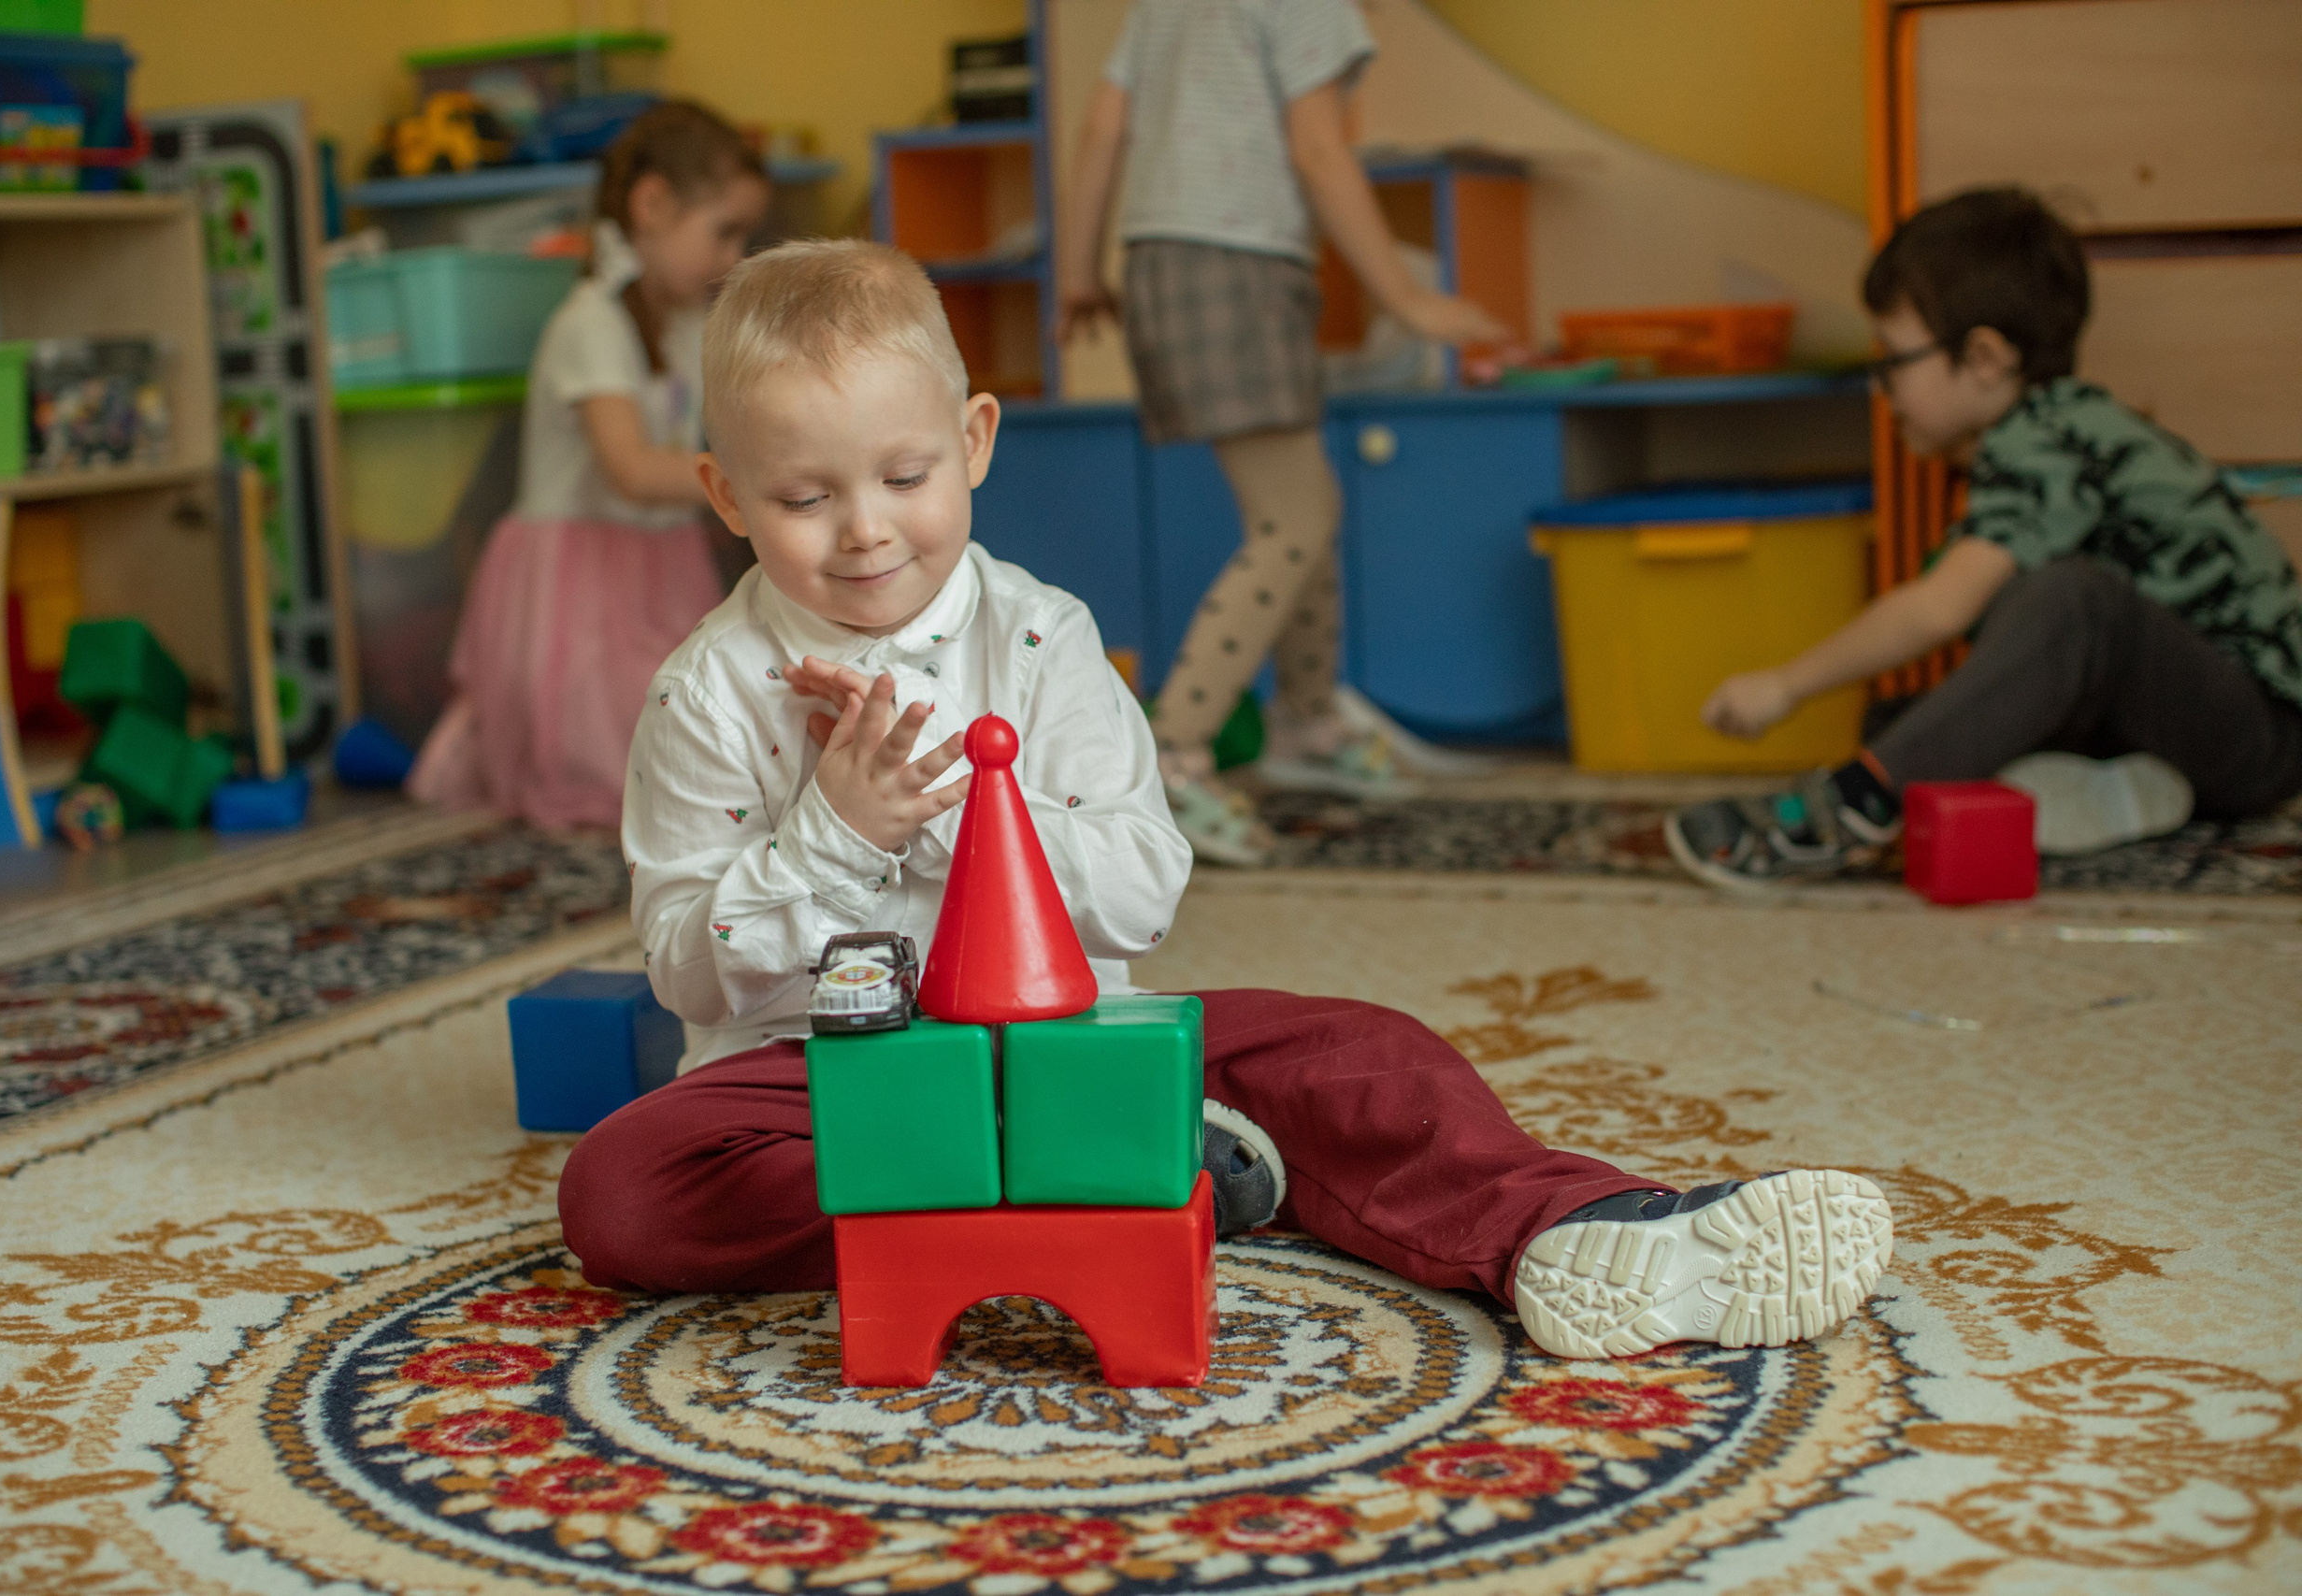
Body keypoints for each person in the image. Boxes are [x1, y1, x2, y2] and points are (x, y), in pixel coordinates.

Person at [555, 238, 1893, 1362]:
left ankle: (1586, 1233)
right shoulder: (709, 688)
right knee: (622, 1188)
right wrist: (836, 836)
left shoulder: (1040, 638)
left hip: (1082, 1038)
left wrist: (957, 806)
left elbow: (1142, 886)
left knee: (1365, 1056)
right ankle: (1125, 1162)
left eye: (905, 477)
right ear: (726, 492)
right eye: (803, 495)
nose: (864, 528)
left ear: (972, 442)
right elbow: (686, 970)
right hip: (821, 1082)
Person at [1668, 188, 2302, 884]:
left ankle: (1853, 805)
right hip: (2178, 725)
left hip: (2263, 734)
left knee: (2073, 602)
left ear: (1985, 358)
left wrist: (1786, 684)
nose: (1884, 389)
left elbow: (1940, 608)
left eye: (1894, 360)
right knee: (1906, 721)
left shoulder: (2046, 437)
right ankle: (2115, 794)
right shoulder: (2040, 440)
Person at [1055, 0, 1507, 866]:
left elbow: (1102, 131)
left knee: (1308, 504)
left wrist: (1077, 268)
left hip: (1161, 265)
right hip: (1240, 265)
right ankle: (1175, 752)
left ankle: (1306, 721)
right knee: (1291, 520)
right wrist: (1406, 298)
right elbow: (1319, 149)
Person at [407, 101, 771, 829]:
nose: (733, 257)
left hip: (657, 569)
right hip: (576, 589)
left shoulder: (686, 324)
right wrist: (757, 483)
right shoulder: (591, 325)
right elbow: (631, 471)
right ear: (652, 205)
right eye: (723, 232)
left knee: (715, 741)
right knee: (640, 776)